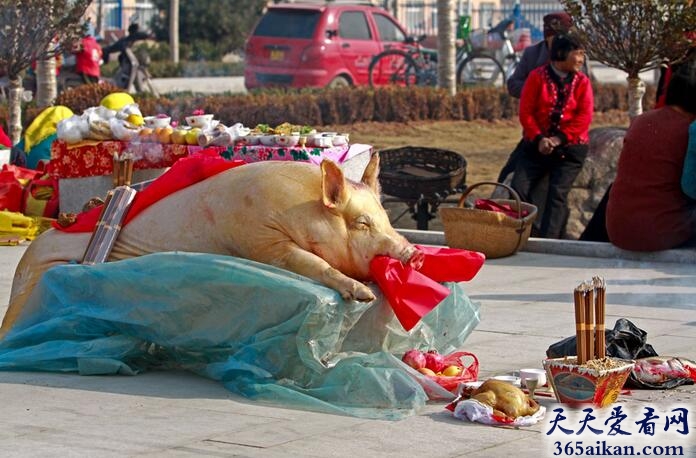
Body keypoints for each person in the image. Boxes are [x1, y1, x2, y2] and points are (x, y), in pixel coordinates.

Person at [510, 34, 593, 239]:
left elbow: (584, 117)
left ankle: (550, 241)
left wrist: (558, 140)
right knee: (518, 187)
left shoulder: (583, 82)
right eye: (578, 54)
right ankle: (521, 235)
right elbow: (526, 113)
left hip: (570, 148)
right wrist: (540, 139)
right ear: (562, 54)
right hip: (537, 146)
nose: (582, 59)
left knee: (557, 193)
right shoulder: (537, 77)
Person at [606, 61, 696, 251]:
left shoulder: (641, 120)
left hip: (617, 230)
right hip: (659, 233)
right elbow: (691, 187)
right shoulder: (689, 131)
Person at [497, 12, 587, 185]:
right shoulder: (533, 54)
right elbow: (513, 84)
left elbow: (583, 96)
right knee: (508, 176)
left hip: (567, 137)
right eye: (552, 37)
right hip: (536, 133)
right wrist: (537, 93)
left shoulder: (577, 56)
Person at [102, 23, 150, 93]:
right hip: (127, 67)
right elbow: (110, 49)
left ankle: (142, 95)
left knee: (139, 85)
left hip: (135, 66)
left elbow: (145, 35)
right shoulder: (125, 41)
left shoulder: (132, 41)